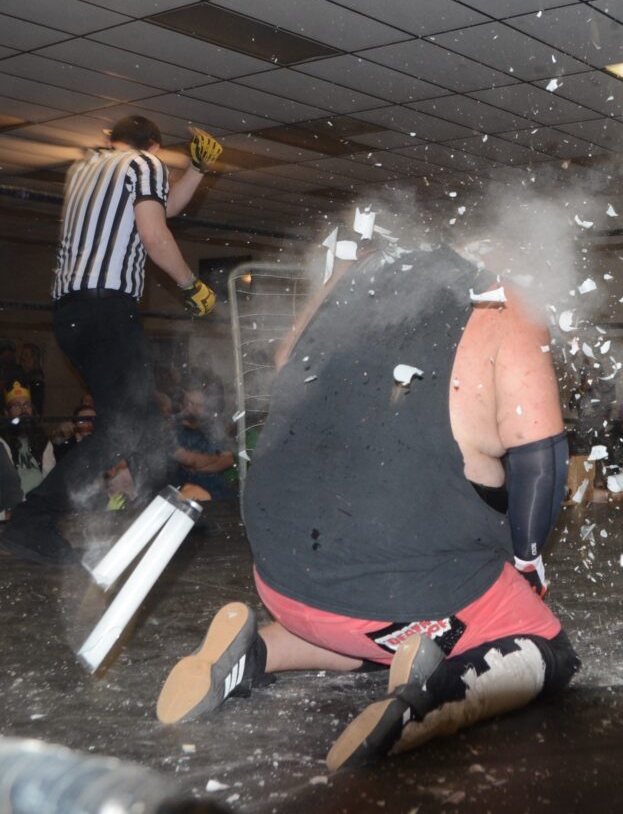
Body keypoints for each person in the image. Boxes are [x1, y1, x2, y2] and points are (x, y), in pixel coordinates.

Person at [155, 242, 580, 768]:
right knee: (548, 649)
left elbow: (286, 360)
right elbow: (541, 460)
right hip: (406, 591)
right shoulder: (506, 304)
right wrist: (528, 560)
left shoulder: (353, 283)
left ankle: (252, 653)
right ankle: (434, 702)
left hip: (283, 576)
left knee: (363, 633)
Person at [0, 116, 221, 566]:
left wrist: (194, 172)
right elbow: (155, 233)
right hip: (107, 310)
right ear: (155, 147)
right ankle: (32, 517)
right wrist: (190, 285)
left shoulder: (86, 168)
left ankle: (164, 518)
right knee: (124, 426)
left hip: (74, 313)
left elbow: (162, 208)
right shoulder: (144, 164)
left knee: (139, 418)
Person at [171, 380, 235, 501]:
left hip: (218, 492)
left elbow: (228, 459)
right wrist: (216, 457)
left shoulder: (212, 426)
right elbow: (189, 459)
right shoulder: (172, 427)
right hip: (187, 494)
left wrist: (201, 468)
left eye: (197, 404)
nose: (192, 408)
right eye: (188, 403)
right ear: (181, 405)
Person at [1, 382, 56, 497]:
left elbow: (50, 477)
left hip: (39, 504)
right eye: (17, 405)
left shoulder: (43, 441)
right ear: (7, 413)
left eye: (27, 405)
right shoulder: (2, 442)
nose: (23, 410)